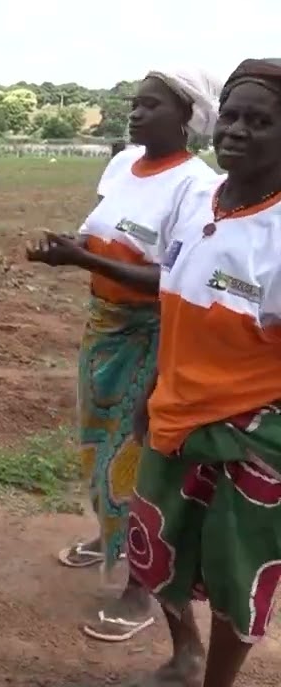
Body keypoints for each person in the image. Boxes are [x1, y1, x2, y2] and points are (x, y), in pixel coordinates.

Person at [27, 68, 220, 643]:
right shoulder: (123, 165)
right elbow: (97, 234)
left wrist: (83, 262)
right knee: (98, 446)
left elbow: (171, 276)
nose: (134, 114)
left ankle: (141, 582)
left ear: (186, 118)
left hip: (153, 334)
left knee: (138, 456)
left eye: (149, 106)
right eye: (134, 104)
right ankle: (113, 533)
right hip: (103, 327)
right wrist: (67, 246)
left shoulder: (196, 185)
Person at [125, 57, 281, 687]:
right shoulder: (201, 203)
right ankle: (183, 654)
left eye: (261, 121)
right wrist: (153, 387)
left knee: (233, 571)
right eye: (234, 116)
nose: (238, 130)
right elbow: (174, 301)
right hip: (175, 412)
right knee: (161, 547)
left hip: (252, 432)